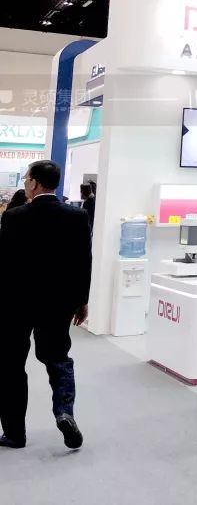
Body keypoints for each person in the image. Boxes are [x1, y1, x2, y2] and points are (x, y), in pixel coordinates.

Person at [0, 160, 92, 450]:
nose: (26, 184)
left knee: (11, 366)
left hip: (16, 304)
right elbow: (84, 262)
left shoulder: (13, 217)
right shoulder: (76, 217)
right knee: (58, 358)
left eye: (27, 179)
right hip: (58, 303)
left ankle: (15, 433)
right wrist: (82, 301)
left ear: (35, 183)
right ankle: (64, 412)